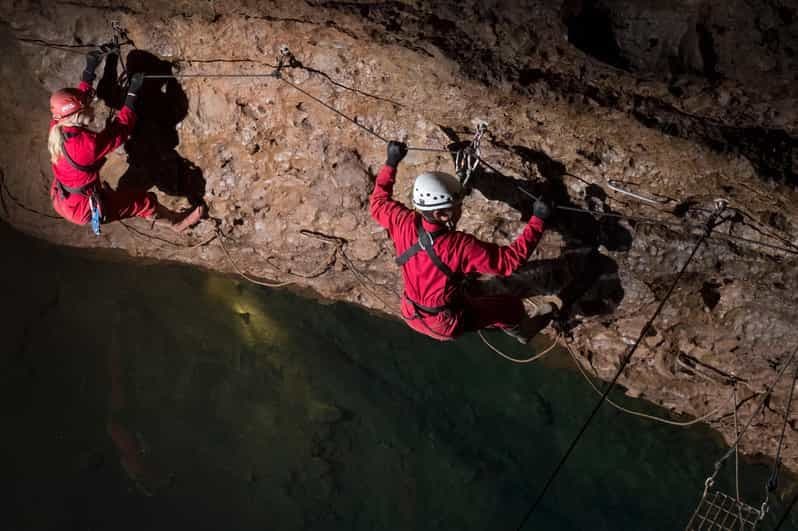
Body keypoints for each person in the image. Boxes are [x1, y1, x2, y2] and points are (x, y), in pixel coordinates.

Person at [370, 140, 559, 343]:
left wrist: (391, 162)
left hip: (412, 312)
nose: (460, 209)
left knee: (471, 290)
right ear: (442, 214)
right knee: (510, 307)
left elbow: (378, 202)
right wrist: (538, 220)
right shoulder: (459, 247)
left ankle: (480, 312)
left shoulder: (403, 221)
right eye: (457, 206)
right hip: (444, 323)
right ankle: (524, 332)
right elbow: (509, 262)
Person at [47, 49, 204, 233]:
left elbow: (79, 97)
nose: (92, 107)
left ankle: (112, 197)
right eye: (88, 106)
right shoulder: (84, 146)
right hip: (82, 208)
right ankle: (177, 224)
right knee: (143, 201)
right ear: (78, 115)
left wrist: (90, 68)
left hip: (63, 196)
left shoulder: (58, 124)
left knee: (125, 189)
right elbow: (122, 129)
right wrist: (131, 95)